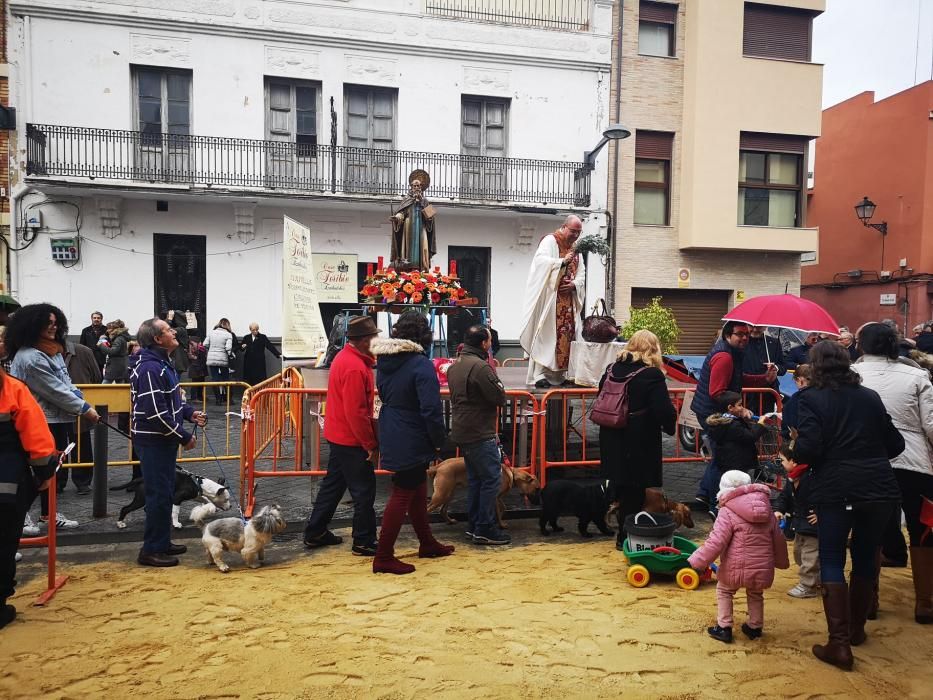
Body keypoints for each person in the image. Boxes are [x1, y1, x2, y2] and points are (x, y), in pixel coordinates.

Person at [794, 341, 904, 670]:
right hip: (880, 487)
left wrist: (798, 447)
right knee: (866, 555)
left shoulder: (810, 398)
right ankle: (855, 631)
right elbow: (895, 443)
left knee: (831, 558)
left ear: (815, 367)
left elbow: (808, 449)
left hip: (836, 488)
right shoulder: (869, 397)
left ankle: (839, 643)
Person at [851, 322, 933, 624]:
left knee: (867, 531)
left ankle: (868, 601)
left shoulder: (853, 375)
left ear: (862, 346)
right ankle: (925, 602)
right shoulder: (918, 375)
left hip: (867, 462)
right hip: (915, 462)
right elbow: (932, 425)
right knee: (922, 529)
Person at [371, 311, 452, 574]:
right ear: (424, 336)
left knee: (417, 487)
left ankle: (427, 542)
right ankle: (383, 556)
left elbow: (384, 394)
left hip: (392, 425)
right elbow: (430, 409)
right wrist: (440, 441)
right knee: (404, 492)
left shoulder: (384, 361)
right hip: (412, 431)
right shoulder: (420, 364)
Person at [6, 304, 100, 526]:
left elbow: (65, 384)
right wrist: (85, 408)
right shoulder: (31, 357)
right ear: (32, 325)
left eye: (55, 322)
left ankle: (48, 515)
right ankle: (21, 519)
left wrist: (79, 399)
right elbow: (54, 390)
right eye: (47, 323)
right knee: (37, 473)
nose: (53, 327)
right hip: (40, 422)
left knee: (52, 471)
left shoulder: (51, 350)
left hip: (57, 419)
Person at [129, 318, 207, 567]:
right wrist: (183, 436)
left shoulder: (164, 364)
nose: (174, 332)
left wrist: (188, 413)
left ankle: (161, 542)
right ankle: (151, 549)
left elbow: (171, 400)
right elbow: (153, 412)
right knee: (158, 495)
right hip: (154, 442)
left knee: (164, 493)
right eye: (167, 330)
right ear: (157, 339)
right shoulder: (151, 369)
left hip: (162, 440)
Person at [303, 316, 380, 556]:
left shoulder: (345, 358)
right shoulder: (356, 366)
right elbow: (356, 411)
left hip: (338, 433)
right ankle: (363, 540)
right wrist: (369, 443)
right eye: (374, 337)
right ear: (365, 340)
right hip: (350, 438)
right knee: (364, 490)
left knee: (333, 486)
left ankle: (315, 532)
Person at [687, 470, 789, 643]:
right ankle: (755, 627)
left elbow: (716, 542)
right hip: (761, 567)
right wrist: (781, 561)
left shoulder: (727, 512)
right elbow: (778, 539)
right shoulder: (767, 511)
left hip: (735, 566)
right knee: (756, 593)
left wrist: (698, 561)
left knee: (724, 590)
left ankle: (724, 627)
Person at [597, 329, 676, 547]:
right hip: (639, 439)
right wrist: (671, 427)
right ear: (654, 349)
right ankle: (628, 536)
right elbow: (663, 410)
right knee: (636, 487)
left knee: (620, 484)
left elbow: (601, 396)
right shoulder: (652, 374)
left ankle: (622, 529)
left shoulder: (612, 369)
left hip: (611, 435)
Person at [690, 321, 777, 505]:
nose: (745, 337)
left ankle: (705, 494)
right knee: (722, 458)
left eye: (746, 334)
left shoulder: (731, 353)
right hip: (713, 413)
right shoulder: (725, 357)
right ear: (728, 336)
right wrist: (740, 409)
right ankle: (715, 500)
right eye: (739, 334)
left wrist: (763, 379)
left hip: (713, 411)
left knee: (719, 456)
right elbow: (717, 392)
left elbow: (738, 377)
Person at [0, 366, 58, 630]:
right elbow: (35, 435)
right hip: (6, 482)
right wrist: (44, 471)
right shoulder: (11, 388)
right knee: (4, 540)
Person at [447, 324, 509, 545]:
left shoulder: (455, 366)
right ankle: (484, 527)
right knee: (491, 480)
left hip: (462, 429)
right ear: (484, 343)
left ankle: (473, 525)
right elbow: (499, 397)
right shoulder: (481, 368)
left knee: (476, 480)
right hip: (480, 431)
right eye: (490, 340)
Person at [519, 215, 586, 388]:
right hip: (551, 299)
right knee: (546, 337)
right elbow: (540, 262)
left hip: (568, 301)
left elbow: (581, 274)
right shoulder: (550, 241)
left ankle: (560, 374)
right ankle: (539, 375)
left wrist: (573, 285)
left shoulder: (576, 248)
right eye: (573, 231)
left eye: (578, 233)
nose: (575, 236)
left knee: (567, 337)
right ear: (564, 227)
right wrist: (561, 262)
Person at [773, 444, 820, 598]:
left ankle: (808, 586)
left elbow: (827, 495)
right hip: (798, 523)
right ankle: (816, 578)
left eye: (782, 460)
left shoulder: (812, 476)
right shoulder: (793, 478)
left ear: (793, 461)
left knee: (809, 555)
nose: (780, 463)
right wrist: (778, 510)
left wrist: (821, 513)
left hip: (812, 524)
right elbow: (784, 497)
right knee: (798, 553)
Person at [703, 392, 768, 489]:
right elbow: (750, 436)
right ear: (730, 408)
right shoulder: (733, 425)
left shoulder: (722, 423)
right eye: (740, 405)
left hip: (727, 460)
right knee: (736, 487)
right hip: (737, 462)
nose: (742, 408)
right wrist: (760, 424)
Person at [62, 338, 101, 495]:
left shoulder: (84, 352)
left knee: (81, 443)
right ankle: (58, 480)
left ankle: (83, 481)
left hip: (79, 407)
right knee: (57, 445)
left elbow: (96, 377)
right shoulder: (44, 352)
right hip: (55, 408)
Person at [390, 170, 436, 271]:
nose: (416, 188)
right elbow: (401, 213)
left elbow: (431, 217)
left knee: (422, 248)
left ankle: (421, 268)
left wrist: (422, 202)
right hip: (408, 227)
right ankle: (406, 268)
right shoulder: (406, 199)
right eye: (414, 186)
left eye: (418, 186)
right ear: (411, 187)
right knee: (407, 250)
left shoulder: (425, 201)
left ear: (421, 187)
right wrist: (396, 218)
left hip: (421, 228)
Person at [742, 326, 785, 414]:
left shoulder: (774, 343)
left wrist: (775, 368)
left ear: (765, 327)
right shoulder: (742, 342)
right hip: (746, 390)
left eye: (758, 327)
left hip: (767, 391)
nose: (755, 329)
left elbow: (783, 366)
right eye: (751, 326)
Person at [204, 318, 235, 405]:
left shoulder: (211, 332)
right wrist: (230, 355)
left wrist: (211, 350)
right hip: (222, 359)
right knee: (226, 378)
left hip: (211, 358)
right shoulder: (228, 334)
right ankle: (228, 399)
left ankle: (218, 400)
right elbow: (228, 348)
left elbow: (205, 344)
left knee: (215, 379)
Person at [780, 363, 810, 440]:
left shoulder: (796, 398)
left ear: (799, 380)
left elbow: (789, 424)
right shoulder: (825, 394)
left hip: (802, 441)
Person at [99, 319, 131, 384]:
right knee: (120, 385)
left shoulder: (118, 339)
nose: (107, 331)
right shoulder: (121, 337)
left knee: (104, 385)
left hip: (114, 367)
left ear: (114, 329)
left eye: (109, 329)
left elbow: (113, 351)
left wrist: (101, 345)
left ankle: (101, 394)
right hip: (120, 366)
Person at [186, 334, 208, 404]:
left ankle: (198, 397)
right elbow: (202, 359)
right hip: (198, 367)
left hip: (196, 367)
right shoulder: (200, 348)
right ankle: (195, 397)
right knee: (197, 383)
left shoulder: (191, 347)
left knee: (197, 383)